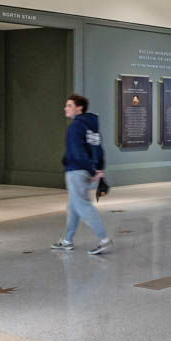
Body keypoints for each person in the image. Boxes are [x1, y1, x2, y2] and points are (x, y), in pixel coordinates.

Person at [51, 93, 111, 254]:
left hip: (76, 170)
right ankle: (67, 240)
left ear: (79, 108)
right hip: (85, 170)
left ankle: (103, 238)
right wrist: (98, 168)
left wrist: (92, 170)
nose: (65, 108)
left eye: (69, 105)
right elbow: (98, 148)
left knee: (83, 206)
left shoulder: (75, 127)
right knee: (73, 206)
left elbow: (77, 152)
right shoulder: (91, 126)